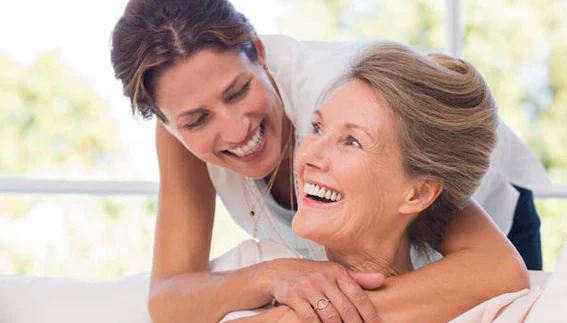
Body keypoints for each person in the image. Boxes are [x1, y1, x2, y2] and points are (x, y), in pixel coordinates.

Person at [110, 0, 540, 322]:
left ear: (259, 51)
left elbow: (496, 269)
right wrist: (272, 275)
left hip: (491, 217)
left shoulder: (341, 99)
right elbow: (169, 296)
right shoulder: (179, 129)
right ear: (168, 122)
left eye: (238, 91)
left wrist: (297, 318)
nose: (235, 129)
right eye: (197, 120)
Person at [219, 40, 528, 323]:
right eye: (316, 127)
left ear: (418, 193)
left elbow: (505, 270)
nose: (310, 153)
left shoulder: (490, 311)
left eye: (352, 142)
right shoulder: (251, 269)